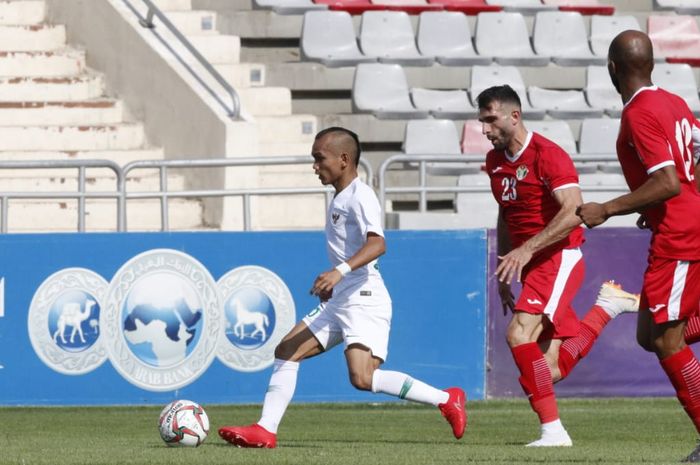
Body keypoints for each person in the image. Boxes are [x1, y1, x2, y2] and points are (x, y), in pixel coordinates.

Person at [218, 127, 467, 448]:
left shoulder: (361, 196)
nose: (315, 166)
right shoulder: (341, 196)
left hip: (364, 299)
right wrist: (336, 281)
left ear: (344, 159)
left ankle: (447, 398)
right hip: (341, 299)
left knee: (362, 378)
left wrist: (339, 272)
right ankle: (265, 430)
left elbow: (378, 244)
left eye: (319, 158)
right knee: (287, 350)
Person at [477, 85, 639, 447]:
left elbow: (573, 212)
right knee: (548, 371)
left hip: (558, 257)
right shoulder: (495, 163)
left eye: (490, 120)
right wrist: (507, 264)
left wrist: (526, 250)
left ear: (514, 116)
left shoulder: (548, 155)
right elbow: (507, 214)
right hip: (530, 264)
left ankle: (554, 432)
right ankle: (606, 308)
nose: (485, 129)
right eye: (481, 122)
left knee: (518, 335)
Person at [576, 30, 700, 462]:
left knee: (667, 341)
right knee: (650, 334)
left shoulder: (640, 113)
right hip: (678, 226)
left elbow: (667, 181)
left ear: (612, 68)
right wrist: (676, 203)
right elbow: (692, 165)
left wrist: (608, 208)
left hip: (680, 237)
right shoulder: (674, 102)